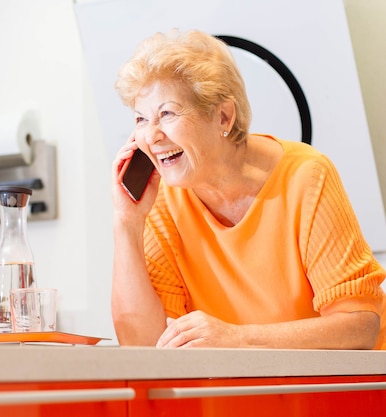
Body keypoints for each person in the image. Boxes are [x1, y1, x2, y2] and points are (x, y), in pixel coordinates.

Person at [111, 29, 386, 350]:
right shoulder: (160, 200)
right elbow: (143, 346)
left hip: (336, 391)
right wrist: (126, 222)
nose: (151, 136)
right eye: (141, 119)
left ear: (224, 117)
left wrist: (237, 338)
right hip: (239, 393)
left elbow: (360, 327)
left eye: (166, 114)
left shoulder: (306, 175)